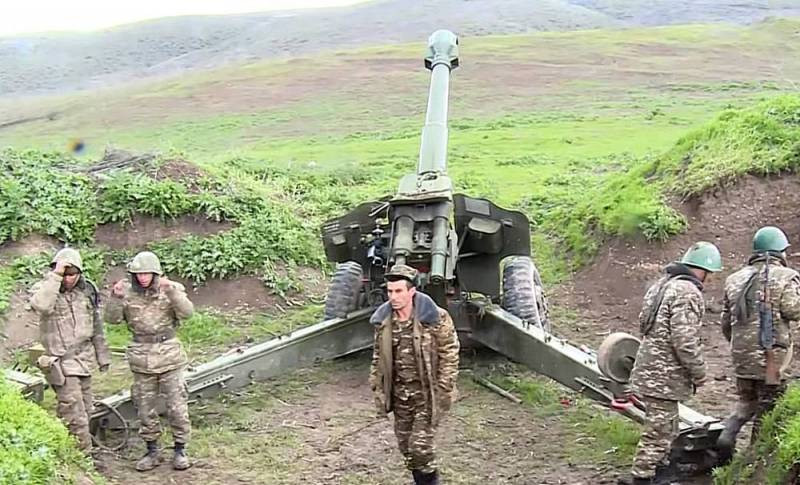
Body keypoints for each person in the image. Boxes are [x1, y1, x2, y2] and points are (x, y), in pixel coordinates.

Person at [621, 242, 722, 485]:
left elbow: (643, 322)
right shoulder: (688, 292)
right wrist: (699, 372)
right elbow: (684, 340)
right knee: (658, 432)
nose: (710, 279)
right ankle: (642, 478)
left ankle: (659, 469)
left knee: (666, 426)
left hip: (649, 367)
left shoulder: (662, 284)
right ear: (703, 270)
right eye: (710, 273)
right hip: (665, 375)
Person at [368, 264, 460, 485]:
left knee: (420, 448)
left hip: (427, 395)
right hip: (401, 396)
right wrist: (377, 385)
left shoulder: (435, 317)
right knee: (406, 448)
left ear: (412, 292)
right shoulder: (384, 321)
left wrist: (444, 388)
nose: (393, 297)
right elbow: (378, 356)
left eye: (399, 291)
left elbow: (449, 352)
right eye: (390, 291)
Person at [104, 251, 194, 471]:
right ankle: (152, 450)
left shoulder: (170, 289)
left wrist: (171, 291)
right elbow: (111, 319)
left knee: (177, 406)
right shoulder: (126, 293)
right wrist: (115, 298)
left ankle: (180, 449)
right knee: (145, 408)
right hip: (142, 358)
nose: (143, 278)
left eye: (147, 273)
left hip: (169, 356)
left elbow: (187, 313)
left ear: (155, 273)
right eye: (139, 274)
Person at [717, 226, 800, 455]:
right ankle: (754, 458)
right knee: (768, 409)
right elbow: (793, 310)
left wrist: (740, 346)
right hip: (771, 359)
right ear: (780, 251)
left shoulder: (734, 279)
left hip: (741, 357)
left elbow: (726, 322)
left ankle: (726, 435)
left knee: (746, 402)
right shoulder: (786, 276)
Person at [30, 247, 111, 452]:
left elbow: (96, 325)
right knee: (74, 414)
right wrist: (56, 275)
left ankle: (73, 449)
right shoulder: (46, 289)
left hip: (83, 360)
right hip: (61, 363)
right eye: (64, 274)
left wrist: (103, 356)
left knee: (86, 408)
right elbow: (41, 305)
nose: (68, 279)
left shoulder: (86, 292)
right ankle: (83, 457)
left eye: (72, 274)